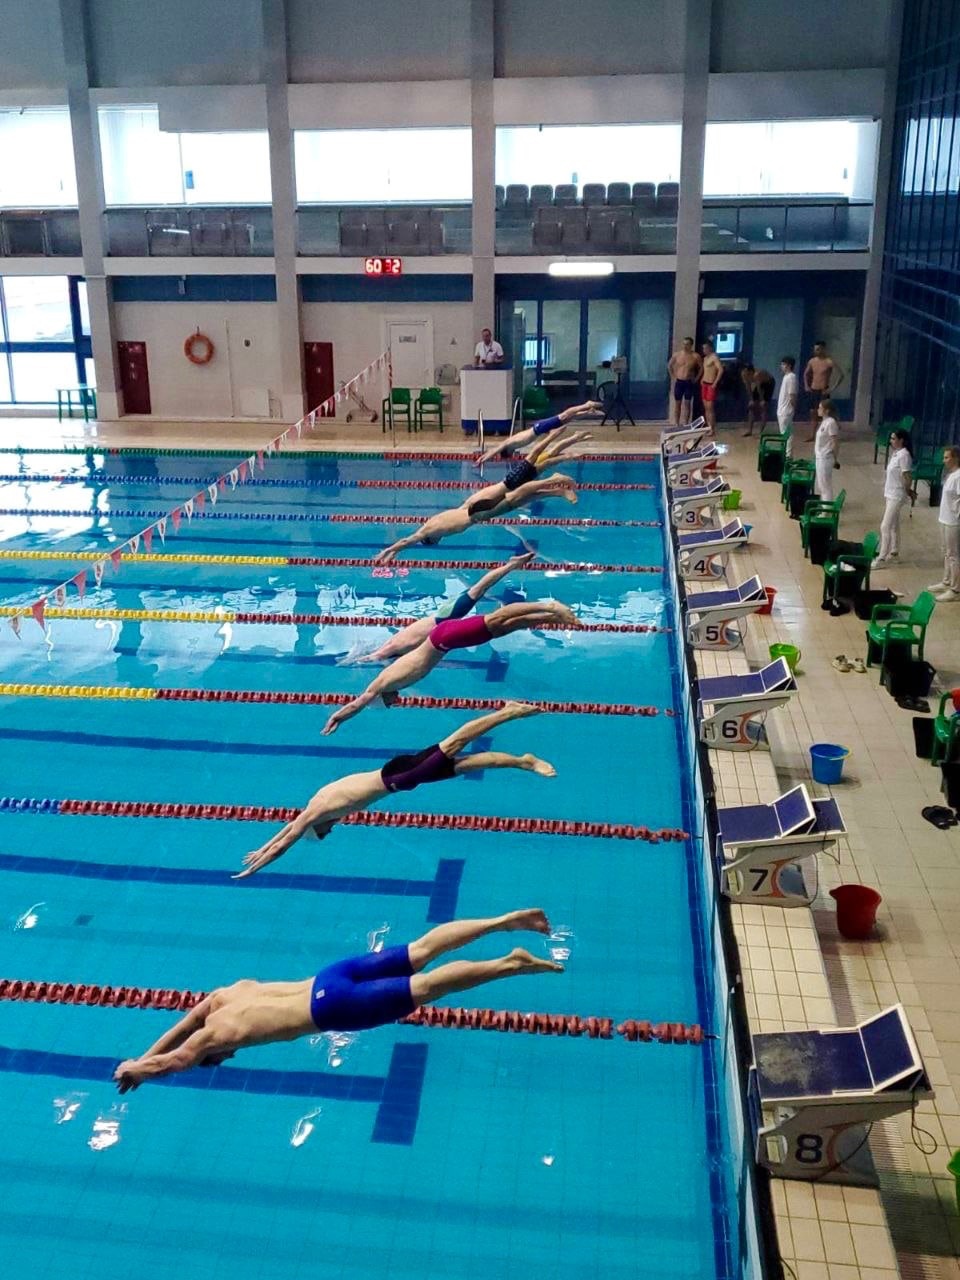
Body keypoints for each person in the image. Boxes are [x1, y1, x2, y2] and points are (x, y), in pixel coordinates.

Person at [113, 908, 563, 1091]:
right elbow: (183, 1025)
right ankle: (503, 922)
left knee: (427, 988)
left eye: (220, 1058)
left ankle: (509, 963)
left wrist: (138, 1069)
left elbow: (176, 1059)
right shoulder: (223, 998)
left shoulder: (214, 1039)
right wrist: (142, 1055)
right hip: (329, 976)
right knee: (421, 950)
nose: (227, 1056)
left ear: (215, 1053)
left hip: (332, 1008)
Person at [237, 703, 554, 874]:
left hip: (399, 775)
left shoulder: (318, 812)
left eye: (324, 833)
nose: (330, 830)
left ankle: (507, 712)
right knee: (466, 764)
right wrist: (260, 850)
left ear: (316, 827)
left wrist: (257, 866)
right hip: (399, 777)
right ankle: (523, 761)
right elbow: (289, 829)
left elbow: (287, 841)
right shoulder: (313, 807)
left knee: (455, 743)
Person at [321, 599, 580, 735]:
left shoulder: (382, 684)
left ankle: (549, 606)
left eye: (388, 703)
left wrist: (338, 718)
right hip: (447, 641)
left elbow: (358, 703)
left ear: (381, 698)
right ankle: (552, 616)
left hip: (445, 638)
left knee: (498, 618)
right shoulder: (393, 683)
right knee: (504, 626)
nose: (394, 702)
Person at [373, 428, 589, 565]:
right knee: (518, 495)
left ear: (431, 540)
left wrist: (389, 551)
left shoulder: (429, 531)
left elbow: (407, 540)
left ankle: (553, 480)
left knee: (517, 488)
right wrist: (392, 553)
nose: (439, 541)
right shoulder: (432, 522)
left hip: (478, 513)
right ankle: (556, 489)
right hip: (473, 505)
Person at [359, 553, 536, 663]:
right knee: (479, 590)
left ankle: (511, 565)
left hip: (445, 618)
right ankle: (510, 569)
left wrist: (358, 661)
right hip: (443, 616)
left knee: (479, 589)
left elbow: (376, 656)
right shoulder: (393, 643)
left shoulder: (393, 647)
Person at [477, 400, 600, 465]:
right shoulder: (513, 445)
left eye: (510, 454)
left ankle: (586, 405)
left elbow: (494, 450)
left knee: (564, 416)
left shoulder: (508, 443)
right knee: (567, 419)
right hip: (539, 429)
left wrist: (483, 459)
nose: (513, 453)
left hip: (538, 428)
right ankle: (588, 412)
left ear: (507, 451)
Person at [872, 429, 914, 570]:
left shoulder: (904, 455)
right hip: (890, 493)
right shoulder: (897, 453)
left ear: (901, 440)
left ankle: (882, 558)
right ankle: (894, 552)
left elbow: (907, 476)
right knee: (894, 524)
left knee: (885, 526)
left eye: (894, 438)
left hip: (897, 494)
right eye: (891, 438)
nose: (891, 441)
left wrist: (908, 491)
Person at [928, 444, 960, 603]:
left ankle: (956, 589)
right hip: (945, 518)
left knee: (954, 555)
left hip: (954, 521)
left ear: (956, 458)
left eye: (947, 457)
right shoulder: (951, 474)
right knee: (947, 552)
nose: (944, 460)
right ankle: (946, 581)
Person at [803, 342, 844, 442]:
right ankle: (813, 435)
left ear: (823, 349)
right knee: (813, 413)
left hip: (823, 391)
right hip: (814, 390)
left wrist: (832, 388)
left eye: (818, 349)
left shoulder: (828, 362)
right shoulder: (812, 361)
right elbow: (806, 374)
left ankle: (832, 432)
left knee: (827, 413)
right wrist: (806, 385)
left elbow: (841, 375)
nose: (816, 351)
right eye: (815, 349)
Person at [667, 337, 702, 426]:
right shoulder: (677, 355)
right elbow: (669, 365)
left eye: (687, 344)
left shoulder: (695, 356)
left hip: (689, 382)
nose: (685, 346)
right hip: (679, 382)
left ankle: (686, 423)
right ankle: (676, 423)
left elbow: (701, 368)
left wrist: (696, 378)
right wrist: (673, 377)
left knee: (687, 403)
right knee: (677, 403)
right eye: (684, 344)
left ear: (691, 345)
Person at [813, 398, 840, 502]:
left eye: (820, 408)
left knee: (825, 485)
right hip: (820, 457)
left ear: (827, 410)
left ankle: (827, 507)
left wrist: (835, 459)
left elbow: (835, 442)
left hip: (826, 457)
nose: (818, 410)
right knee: (821, 485)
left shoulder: (831, 423)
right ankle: (824, 504)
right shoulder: (824, 422)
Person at [741, 364, 776, 437]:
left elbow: (759, 388)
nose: (744, 373)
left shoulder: (757, 374)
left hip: (769, 383)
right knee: (751, 407)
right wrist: (751, 399)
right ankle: (749, 431)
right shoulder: (743, 374)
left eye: (746, 372)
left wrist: (762, 400)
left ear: (750, 372)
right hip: (760, 384)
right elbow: (748, 387)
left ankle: (761, 432)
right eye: (743, 371)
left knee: (763, 407)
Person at [777, 357, 798, 459]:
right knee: (784, 434)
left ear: (789, 365)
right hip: (782, 410)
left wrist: (793, 408)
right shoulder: (786, 377)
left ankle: (788, 456)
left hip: (786, 411)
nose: (781, 366)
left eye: (783, 364)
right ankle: (785, 454)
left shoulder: (791, 377)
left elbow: (792, 395)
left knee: (787, 434)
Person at [700, 340, 723, 435]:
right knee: (706, 407)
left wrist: (715, 383)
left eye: (706, 348)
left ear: (710, 348)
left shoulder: (714, 357)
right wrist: (702, 378)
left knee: (710, 408)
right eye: (703, 348)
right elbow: (705, 370)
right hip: (704, 384)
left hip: (711, 384)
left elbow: (720, 370)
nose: (704, 350)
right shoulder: (705, 358)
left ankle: (712, 428)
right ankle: (708, 426)